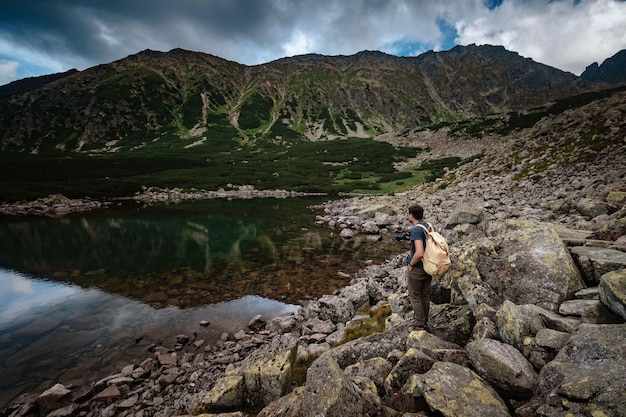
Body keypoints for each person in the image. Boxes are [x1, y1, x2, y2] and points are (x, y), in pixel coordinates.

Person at [404, 204, 431, 331]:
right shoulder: (428, 226)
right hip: (428, 266)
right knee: (424, 295)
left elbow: (419, 252)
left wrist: (410, 264)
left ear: (411, 215)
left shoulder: (415, 230)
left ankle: (420, 325)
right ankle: (425, 321)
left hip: (418, 268)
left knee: (415, 296)